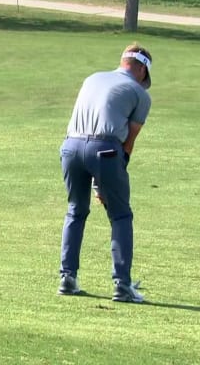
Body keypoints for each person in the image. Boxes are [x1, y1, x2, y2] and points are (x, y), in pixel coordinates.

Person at [57, 43, 153, 302]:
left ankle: (67, 278)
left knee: (76, 210)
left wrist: (100, 184)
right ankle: (122, 284)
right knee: (121, 215)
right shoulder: (140, 94)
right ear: (142, 69)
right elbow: (128, 144)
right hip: (106, 151)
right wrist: (106, 185)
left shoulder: (93, 78)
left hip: (70, 148)